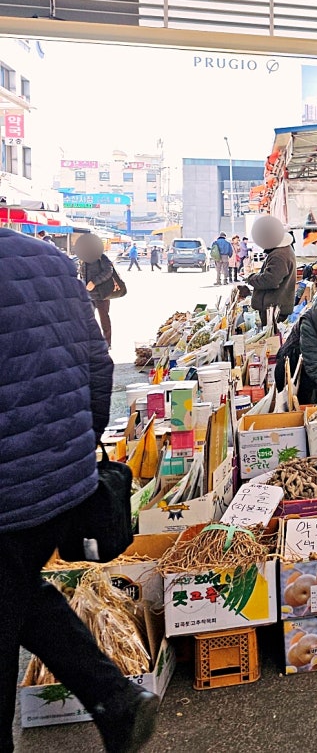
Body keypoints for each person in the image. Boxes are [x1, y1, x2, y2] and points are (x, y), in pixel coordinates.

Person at [0, 228, 159, 753]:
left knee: (10, 593)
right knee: (18, 589)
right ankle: (115, 699)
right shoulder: (48, 259)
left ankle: (114, 699)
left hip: (11, 484)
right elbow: (98, 364)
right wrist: (81, 449)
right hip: (60, 475)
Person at [246, 216, 296, 326]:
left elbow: (270, 280)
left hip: (274, 308)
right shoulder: (282, 250)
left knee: (272, 340)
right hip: (275, 306)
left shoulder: (279, 255)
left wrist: (251, 278)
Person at [75, 234, 117, 349]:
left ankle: (107, 343)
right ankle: (91, 342)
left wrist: (94, 282)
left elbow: (108, 271)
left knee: (104, 319)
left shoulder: (101, 257)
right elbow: (83, 274)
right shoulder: (83, 259)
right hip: (88, 294)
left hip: (102, 294)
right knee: (88, 319)